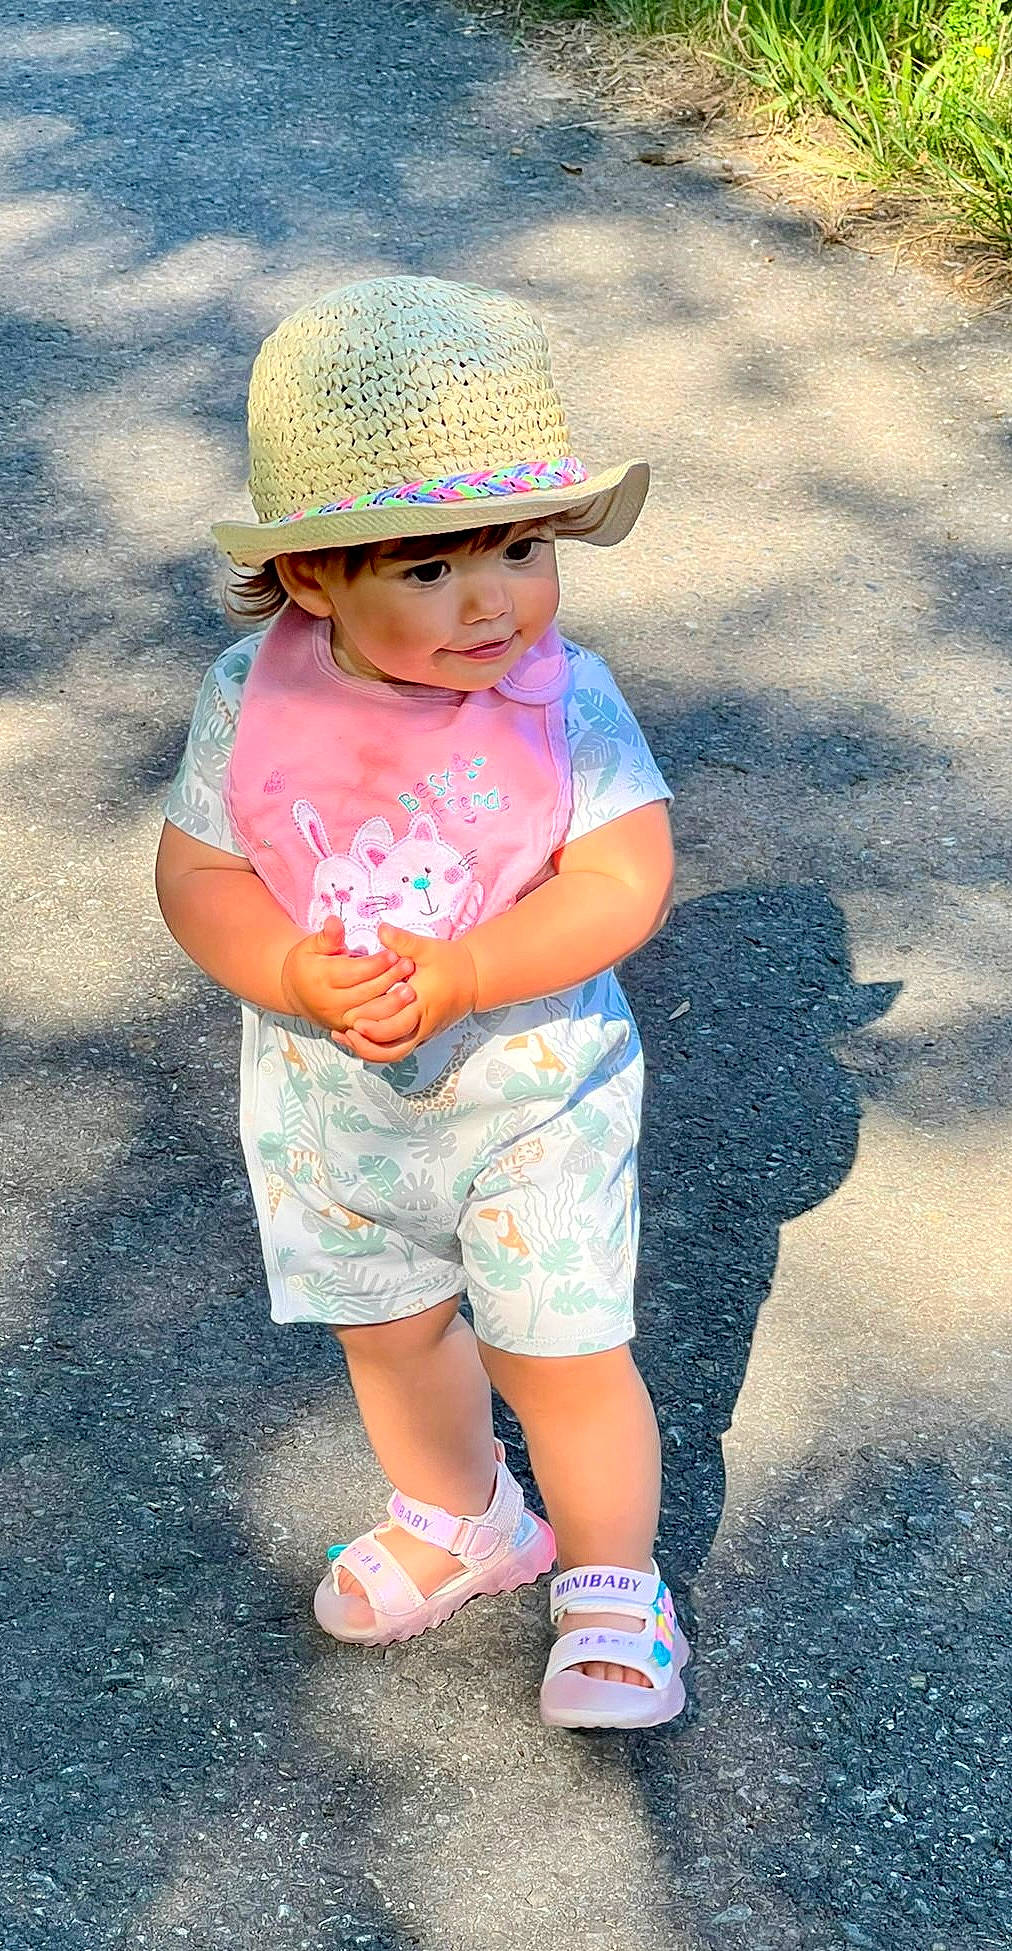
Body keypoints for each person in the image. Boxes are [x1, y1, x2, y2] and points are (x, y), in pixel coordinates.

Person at [155, 274, 690, 1731]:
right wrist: (278, 966)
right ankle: (463, 1519)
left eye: (521, 548)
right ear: (316, 578)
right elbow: (201, 871)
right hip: (335, 1104)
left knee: (557, 1347)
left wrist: (465, 969)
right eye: (434, 567)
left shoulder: (559, 698)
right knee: (388, 1330)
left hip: (534, 1090)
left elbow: (622, 879)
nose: (494, 599)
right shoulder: (249, 694)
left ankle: (611, 1581)